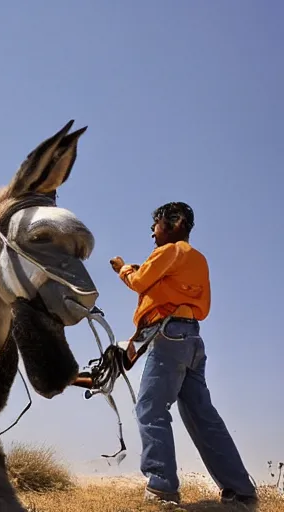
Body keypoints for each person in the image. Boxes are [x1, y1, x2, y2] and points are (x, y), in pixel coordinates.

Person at [109, 201, 258, 508]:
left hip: (169, 338)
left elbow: (139, 281)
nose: (152, 233)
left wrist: (124, 268)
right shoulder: (198, 260)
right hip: (191, 340)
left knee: (150, 410)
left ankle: (162, 487)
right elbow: (164, 284)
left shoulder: (169, 252)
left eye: (156, 225)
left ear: (175, 223)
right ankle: (240, 490)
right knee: (203, 416)